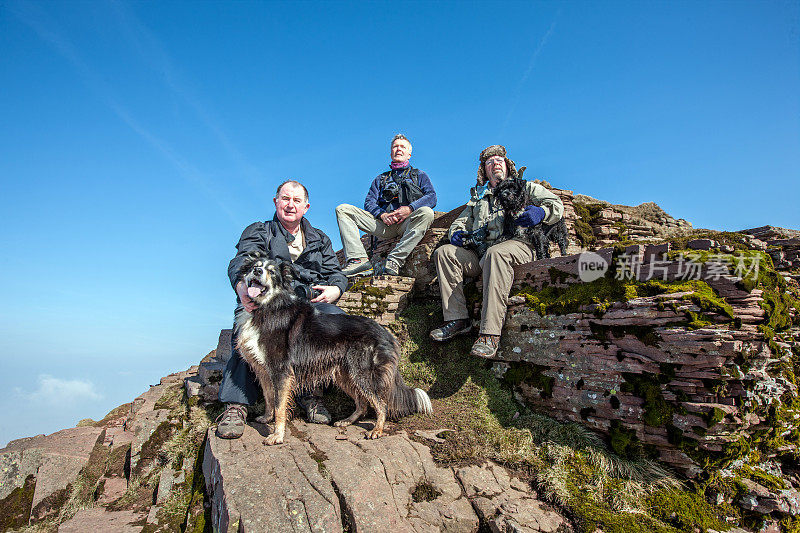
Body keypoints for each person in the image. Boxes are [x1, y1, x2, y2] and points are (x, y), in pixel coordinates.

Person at [216, 179, 348, 439]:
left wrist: (336, 289)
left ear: (306, 207)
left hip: (307, 307)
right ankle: (236, 404)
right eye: (285, 199)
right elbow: (241, 260)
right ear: (276, 202)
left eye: (296, 200)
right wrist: (242, 286)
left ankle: (311, 393)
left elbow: (336, 274)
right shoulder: (259, 231)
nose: (290, 204)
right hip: (269, 303)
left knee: (337, 319)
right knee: (249, 336)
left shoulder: (320, 238)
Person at [429, 145, 564, 358]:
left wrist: (541, 212)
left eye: (499, 160)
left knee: (497, 254)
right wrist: (457, 233)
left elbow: (556, 204)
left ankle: (489, 334)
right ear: (484, 170)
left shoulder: (525, 186)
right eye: (489, 162)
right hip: (482, 253)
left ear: (507, 165)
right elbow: (461, 222)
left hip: (518, 245)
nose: (495, 163)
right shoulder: (478, 198)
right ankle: (457, 319)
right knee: (444, 252)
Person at [336, 134, 437, 276]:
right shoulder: (381, 179)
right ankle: (359, 260)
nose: (398, 149)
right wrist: (382, 214)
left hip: (407, 223)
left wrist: (409, 209)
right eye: (395, 146)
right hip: (384, 225)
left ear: (409, 154)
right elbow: (369, 202)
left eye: (403, 147)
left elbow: (432, 197)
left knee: (427, 212)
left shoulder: (419, 175)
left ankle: (394, 260)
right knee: (343, 210)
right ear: (391, 152)